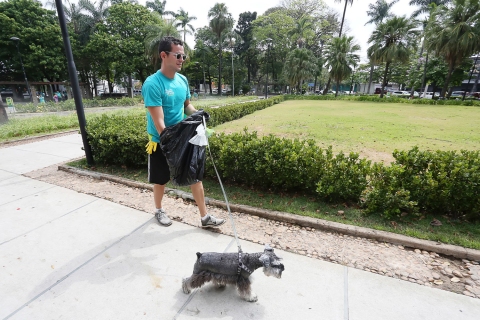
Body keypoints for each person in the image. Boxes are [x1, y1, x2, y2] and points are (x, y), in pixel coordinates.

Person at [142, 36, 225, 228]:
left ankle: (205, 217)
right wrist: (170, 143)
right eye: (178, 55)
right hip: (161, 140)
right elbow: (159, 120)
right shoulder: (153, 84)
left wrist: (199, 115)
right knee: (161, 179)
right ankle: (159, 210)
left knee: (194, 175)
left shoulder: (182, 80)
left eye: (183, 56)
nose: (181, 59)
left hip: (182, 137)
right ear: (164, 55)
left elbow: (186, 105)